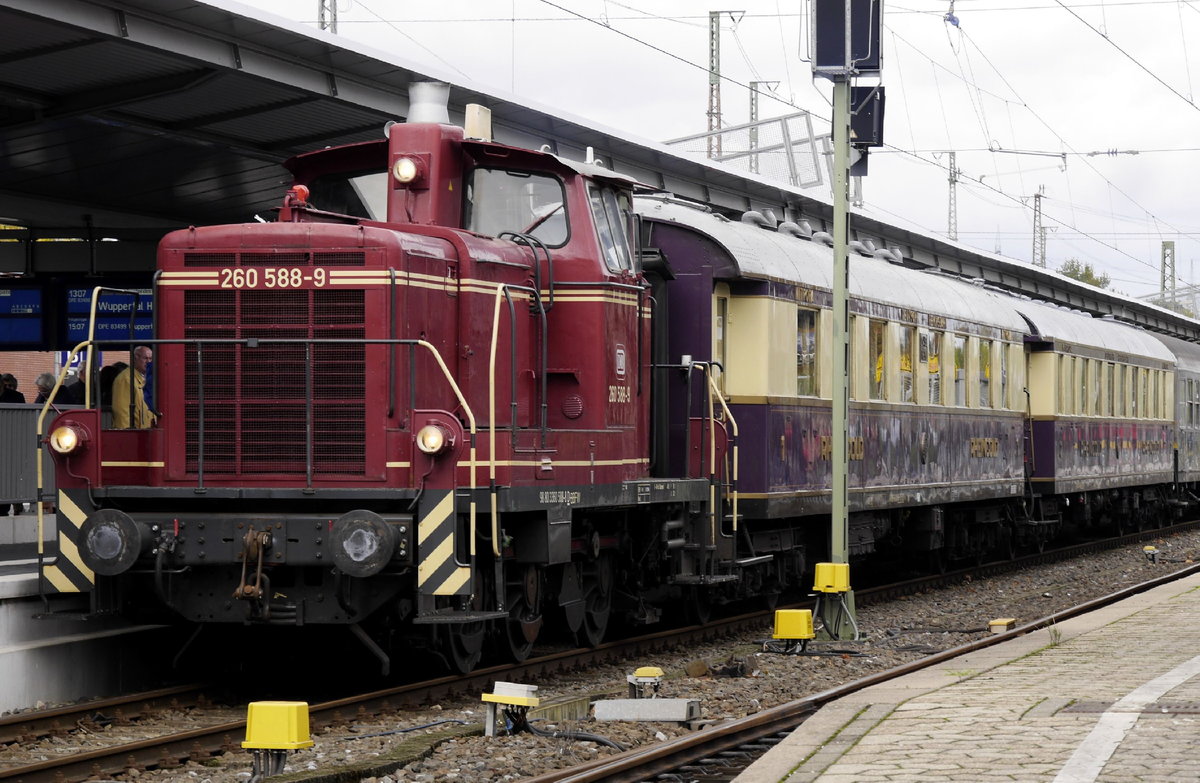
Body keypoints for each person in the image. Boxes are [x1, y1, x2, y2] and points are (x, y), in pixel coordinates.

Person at [111, 347, 156, 429]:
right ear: (135, 358)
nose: (149, 362)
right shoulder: (125, 379)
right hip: (136, 434)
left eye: (150, 358)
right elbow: (122, 413)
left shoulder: (148, 378)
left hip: (147, 432)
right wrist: (127, 436)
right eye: (145, 358)